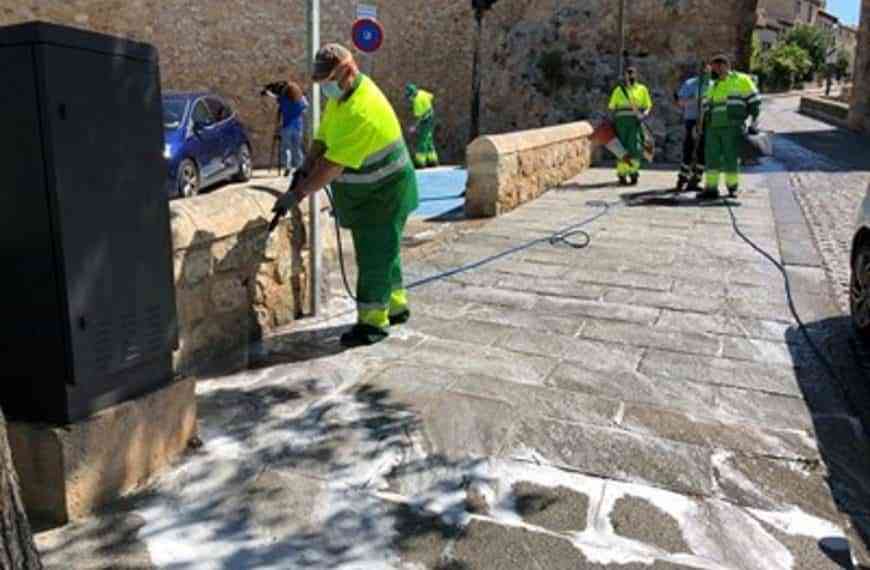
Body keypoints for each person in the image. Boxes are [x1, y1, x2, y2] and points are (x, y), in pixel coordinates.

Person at [272, 44, 419, 347]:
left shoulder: (361, 111)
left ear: (348, 72)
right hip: (376, 193)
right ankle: (396, 305)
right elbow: (323, 138)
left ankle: (372, 324)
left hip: (385, 194)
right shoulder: (342, 99)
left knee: (374, 258)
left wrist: (298, 193)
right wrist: (304, 166)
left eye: (328, 82)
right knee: (385, 251)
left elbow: (331, 167)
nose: (324, 89)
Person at [699, 54, 761, 200]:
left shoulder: (741, 80)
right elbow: (706, 107)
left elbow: (755, 102)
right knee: (711, 158)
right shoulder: (713, 85)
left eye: (718, 67)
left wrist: (754, 122)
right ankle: (711, 189)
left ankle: (732, 188)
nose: (716, 70)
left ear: (726, 65)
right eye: (714, 67)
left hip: (732, 127)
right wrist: (701, 126)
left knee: (731, 158)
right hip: (713, 128)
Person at [607, 67, 653, 186]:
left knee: (635, 147)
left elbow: (648, 105)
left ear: (636, 75)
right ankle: (622, 174)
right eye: (628, 74)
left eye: (632, 74)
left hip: (635, 121)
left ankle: (633, 172)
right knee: (621, 148)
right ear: (625, 76)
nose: (630, 76)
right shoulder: (618, 90)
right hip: (621, 122)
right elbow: (612, 107)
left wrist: (644, 114)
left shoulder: (642, 89)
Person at [674, 65, 712, 192]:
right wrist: (694, 100)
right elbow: (680, 102)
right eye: (704, 71)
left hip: (707, 122)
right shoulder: (690, 84)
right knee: (689, 150)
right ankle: (682, 179)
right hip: (692, 120)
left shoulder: (713, 85)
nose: (706, 74)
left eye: (708, 71)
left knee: (703, 152)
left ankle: (695, 180)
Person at [276, 81, 308, 176]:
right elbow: (306, 107)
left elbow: (279, 102)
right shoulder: (300, 99)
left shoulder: (283, 99)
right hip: (298, 126)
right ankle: (300, 167)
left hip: (286, 126)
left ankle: (287, 166)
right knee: (297, 148)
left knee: (286, 148)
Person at [405, 84, 440, 168]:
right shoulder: (422, 92)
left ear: (412, 94)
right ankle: (432, 160)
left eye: (409, 96)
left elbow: (419, 117)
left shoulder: (416, 102)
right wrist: (427, 106)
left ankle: (420, 162)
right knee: (428, 139)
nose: (409, 99)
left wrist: (414, 127)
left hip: (426, 121)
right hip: (432, 117)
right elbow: (431, 96)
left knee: (422, 140)